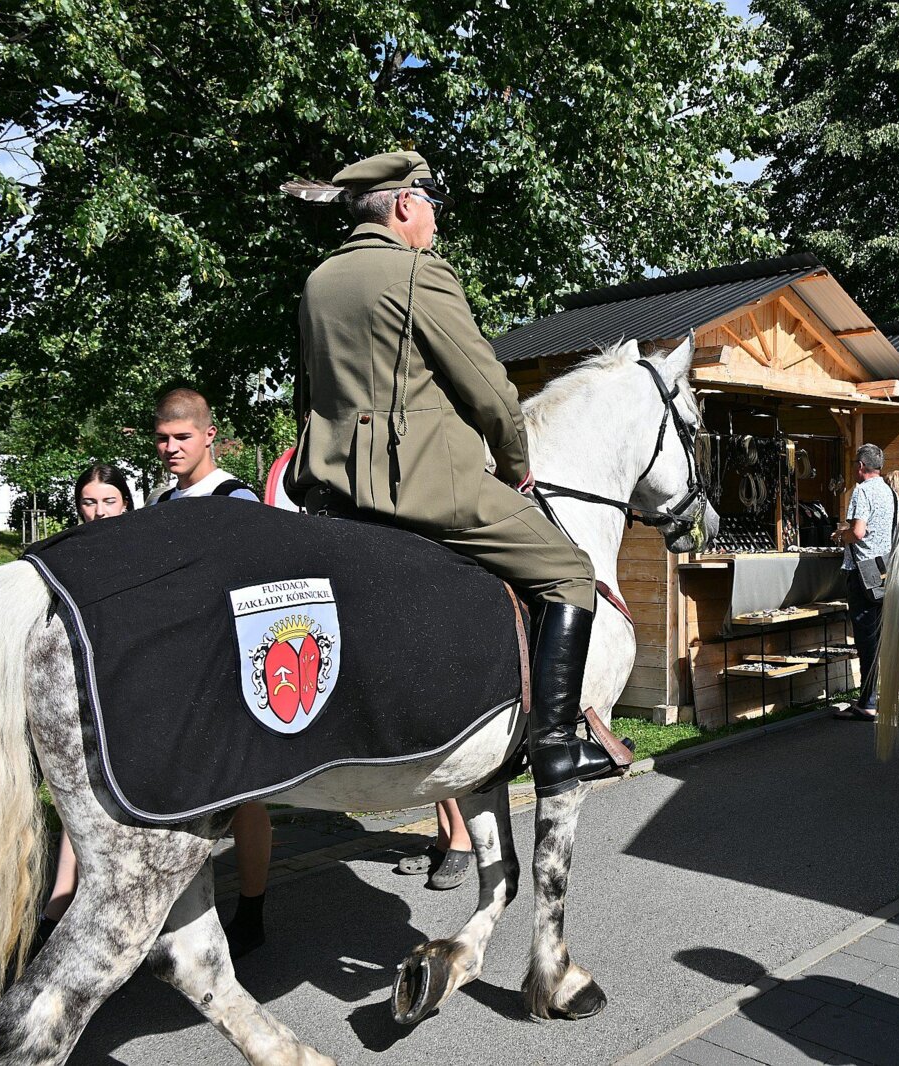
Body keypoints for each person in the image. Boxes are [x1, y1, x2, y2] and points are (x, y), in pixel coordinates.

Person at [284, 150, 617, 798]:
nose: (436, 220)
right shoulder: (418, 273)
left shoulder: (319, 282)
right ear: (405, 204)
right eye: (431, 204)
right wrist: (516, 464)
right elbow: (488, 390)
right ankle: (554, 748)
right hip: (426, 486)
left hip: (331, 490)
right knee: (572, 571)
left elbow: (308, 395)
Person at [151, 388, 272, 958]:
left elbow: (257, 587)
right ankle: (186, 914)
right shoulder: (161, 502)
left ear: (208, 436)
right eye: (163, 438)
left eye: (183, 437)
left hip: (225, 668)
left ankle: (252, 910)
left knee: (243, 798)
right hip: (176, 669)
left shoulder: (235, 499)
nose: (172, 448)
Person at [37, 464, 138, 945]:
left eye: (108, 501)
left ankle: (94, 903)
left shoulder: (141, 549)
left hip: (130, 686)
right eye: (89, 502)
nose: (98, 512)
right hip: (86, 687)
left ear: (126, 504)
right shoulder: (69, 552)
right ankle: (62, 899)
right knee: (80, 793)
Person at [832, 444, 896, 721]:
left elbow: (857, 533)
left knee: (866, 638)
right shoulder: (889, 491)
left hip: (862, 572)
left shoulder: (862, 491)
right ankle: (879, 697)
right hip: (885, 568)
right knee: (880, 636)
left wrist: (840, 536)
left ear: (860, 466)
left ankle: (867, 702)